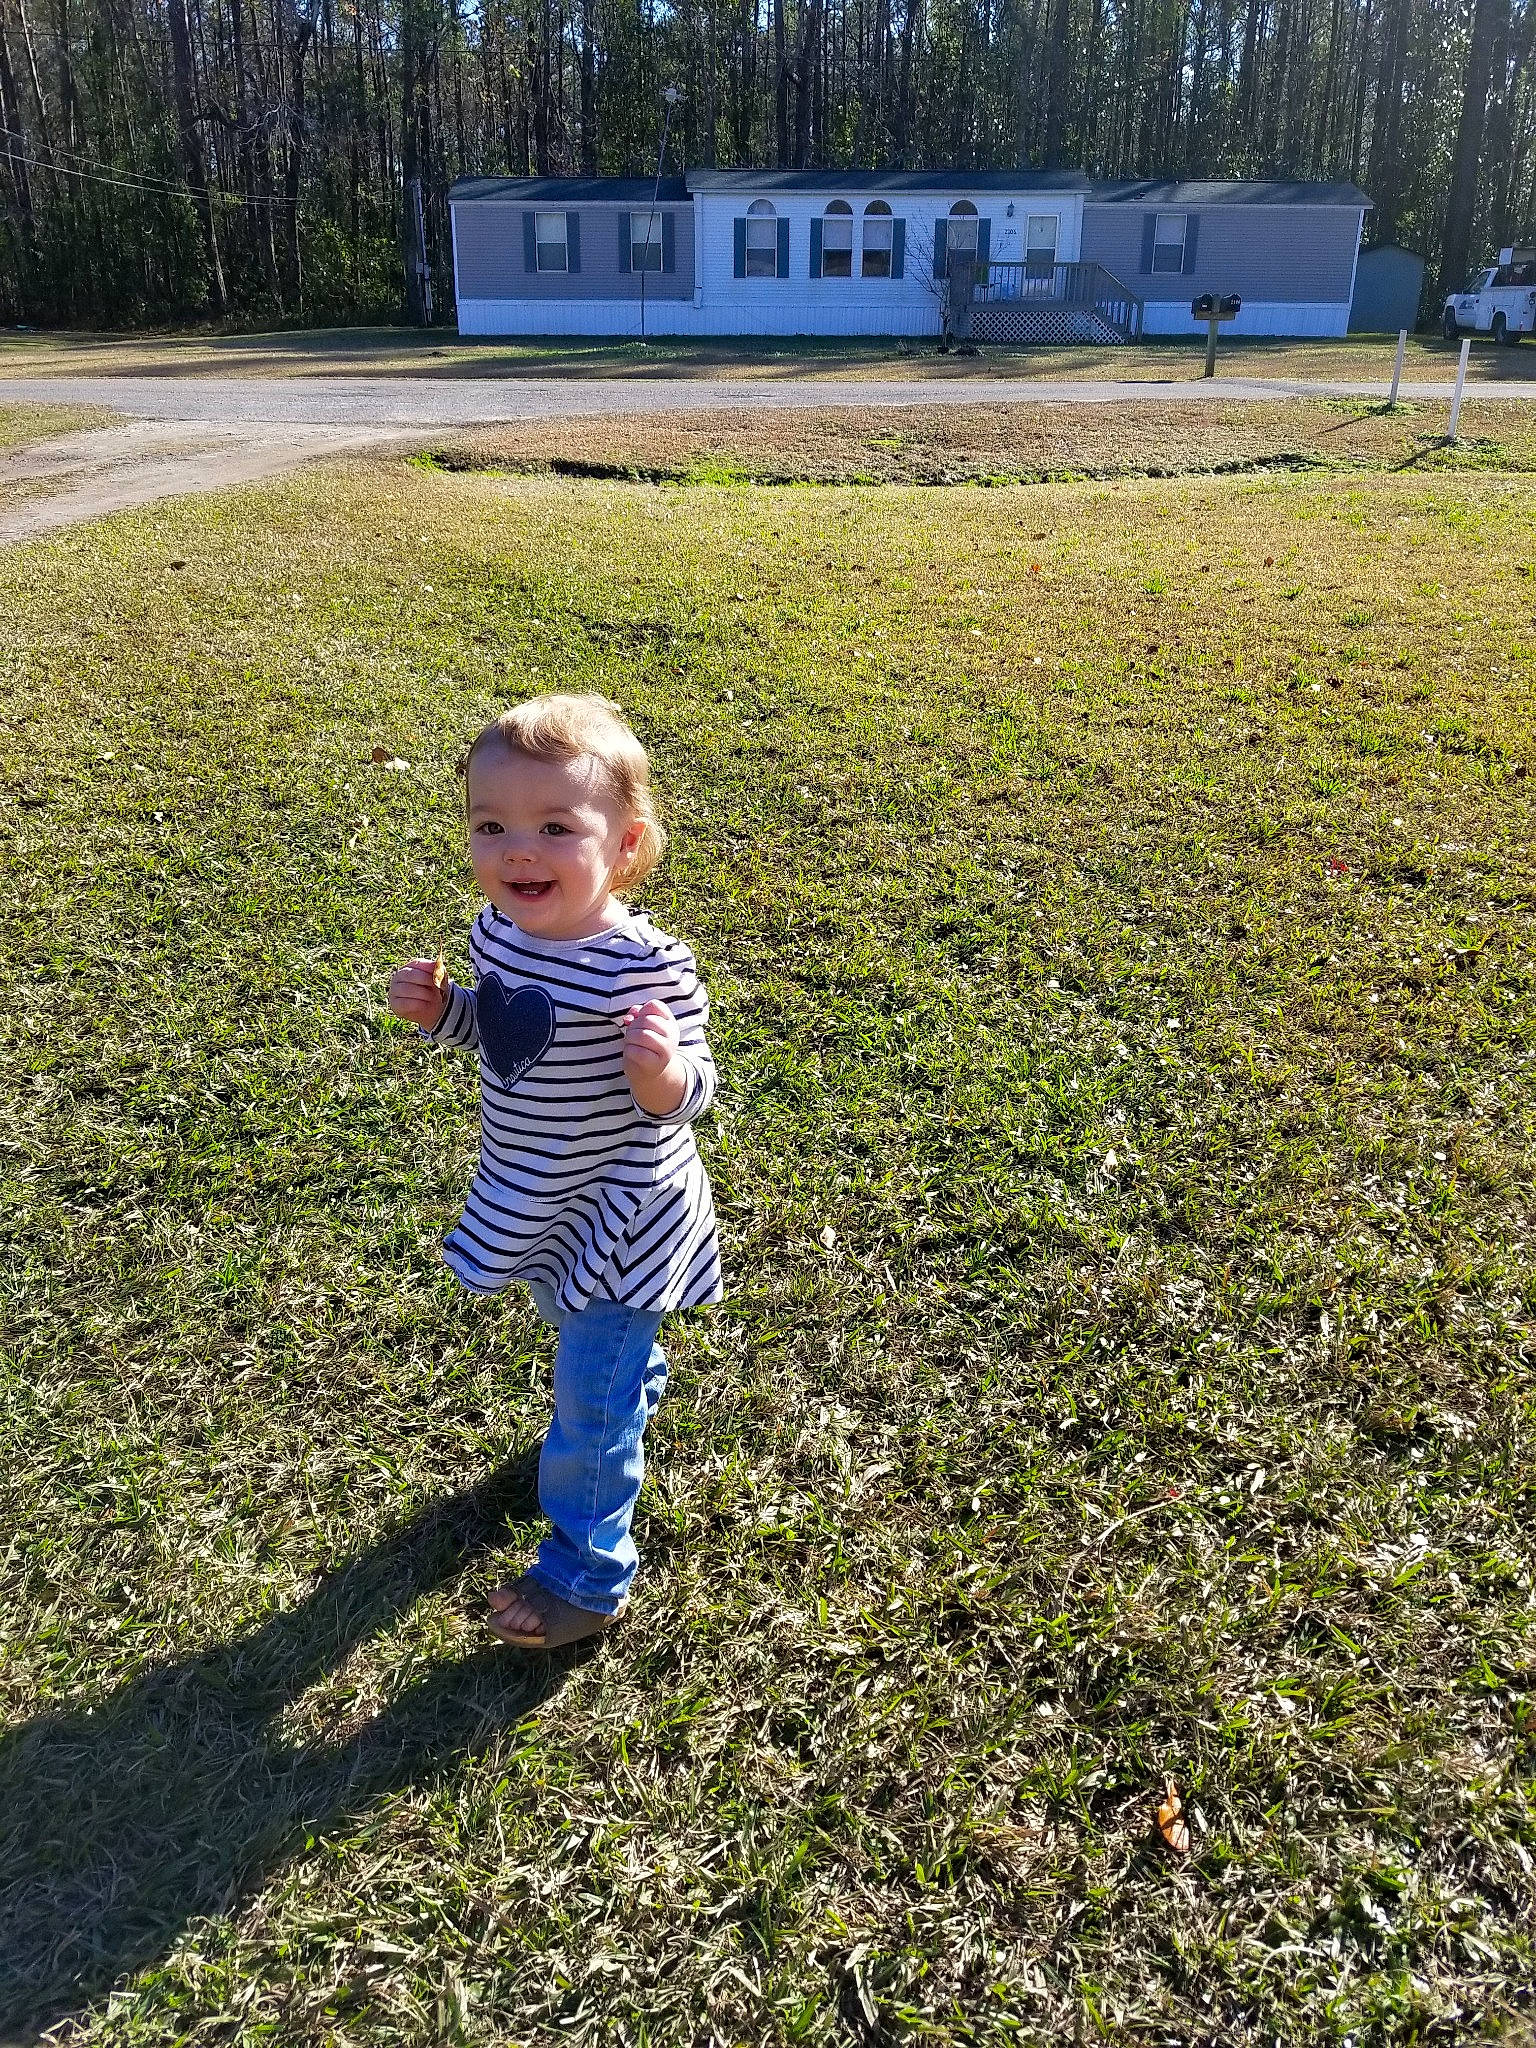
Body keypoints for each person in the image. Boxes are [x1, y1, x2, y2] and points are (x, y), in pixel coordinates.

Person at [387, 694, 721, 1650]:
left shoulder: (644, 967)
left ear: (624, 847)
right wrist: (443, 1013)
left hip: (622, 1219)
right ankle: (625, 1380)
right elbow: (505, 1036)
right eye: (491, 826)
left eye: (554, 828)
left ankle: (585, 1579)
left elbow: (691, 1092)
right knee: (587, 1349)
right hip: (544, 1195)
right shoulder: (499, 930)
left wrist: (659, 1074)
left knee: (587, 1412)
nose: (516, 852)